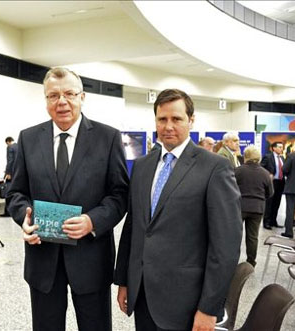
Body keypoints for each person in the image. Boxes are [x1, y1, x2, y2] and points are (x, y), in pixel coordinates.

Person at [7, 67, 128, 331]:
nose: (62, 101)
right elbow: (16, 193)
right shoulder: (28, 138)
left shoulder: (107, 137)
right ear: (46, 100)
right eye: (53, 96)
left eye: (69, 94)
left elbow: (119, 194)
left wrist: (92, 221)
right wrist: (24, 218)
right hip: (43, 260)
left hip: (91, 259)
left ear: (82, 97)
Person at [114, 89, 242, 331]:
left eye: (177, 119)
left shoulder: (215, 168)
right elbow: (134, 227)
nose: (168, 126)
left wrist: (209, 308)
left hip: (186, 302)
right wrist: (124, 280)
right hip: (143, 295)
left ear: (191, 120)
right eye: (162, 119)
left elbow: (225, 246)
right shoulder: (142, 166)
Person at [235, 145, 274, 267]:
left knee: (235, 235)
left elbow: (230, 188)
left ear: (245, 156)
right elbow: (270, 193)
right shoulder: (265, 173)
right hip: (257, 208)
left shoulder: (238, 171)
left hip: (239, 207)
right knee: (253, 237)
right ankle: (251, 262)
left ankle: (233, 261)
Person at [261, 141, 285, 229]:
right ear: (274, 148)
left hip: (281, 182)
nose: (281, 149)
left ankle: (273, 221)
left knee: (277, 202)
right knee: (269, 202)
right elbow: (261, 167)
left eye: (282, 147)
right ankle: (266, 222)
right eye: (279, 147)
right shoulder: (268, 157)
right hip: (272, 182)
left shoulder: (282, 158)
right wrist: (268, 174)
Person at [0, 136, 17, 217]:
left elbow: (10, 161)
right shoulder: (19, 146)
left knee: (8, 192)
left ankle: (8, 211)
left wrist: (8, 173)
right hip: (18, 174)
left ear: (8, 142)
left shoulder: (10, 147)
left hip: (12, 174)